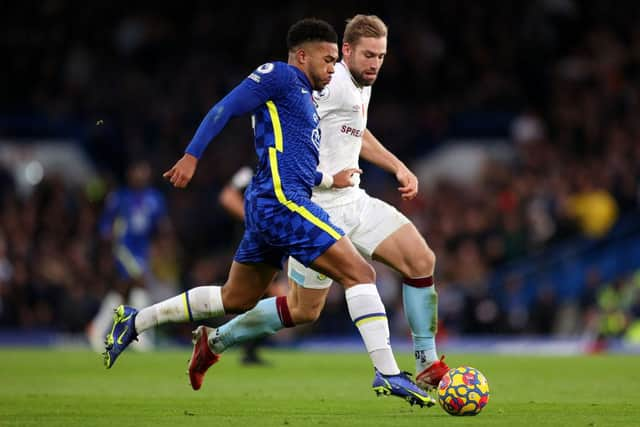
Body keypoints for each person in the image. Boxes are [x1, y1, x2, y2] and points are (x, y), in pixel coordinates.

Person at [103, 18, 434, 407]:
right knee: (360, 273)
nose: (332, 70)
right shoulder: (278, 76)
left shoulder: (308, 102)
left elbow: (295, 162)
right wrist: (192, 154)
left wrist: (332, 178)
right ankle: (388, 372)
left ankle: (135, 320)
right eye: (327, 60)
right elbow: (225, 107)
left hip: (271, 203)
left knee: (235, 298)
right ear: (301, 55)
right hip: (284, 203)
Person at [188, 14, 449, 391]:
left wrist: (397, 166)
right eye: (368, 55)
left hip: (353, 200)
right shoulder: (327, 82)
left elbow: (356, 130)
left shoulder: (362, 85)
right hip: (314, 207)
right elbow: (282, 109)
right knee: (302, 310)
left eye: (381, 56)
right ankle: (214, 342)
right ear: (346, 51)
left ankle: (426, 363)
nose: (376, 63)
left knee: (421, 260)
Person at [87, 159, 170, 351]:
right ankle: (138, 335)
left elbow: (162, 227)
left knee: (124, 290)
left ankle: (98, 329)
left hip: (142, 250)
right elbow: (106, 226)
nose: (140, 174)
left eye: (143, 170)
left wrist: (162, 247)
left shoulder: (155, 198)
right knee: (139, 283)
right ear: (129, 174)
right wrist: (108, 248)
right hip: (124, 248)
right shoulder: (119, 197)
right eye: (137, 170)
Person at [218, 165, 286, 364]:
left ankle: (248, 349)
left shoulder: (281, 175)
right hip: (247, 247)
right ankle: (221, 338)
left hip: (270, 247)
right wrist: (252, 218)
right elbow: (227, 196)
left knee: (264, 299)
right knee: (247, 298)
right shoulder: (248, 173)